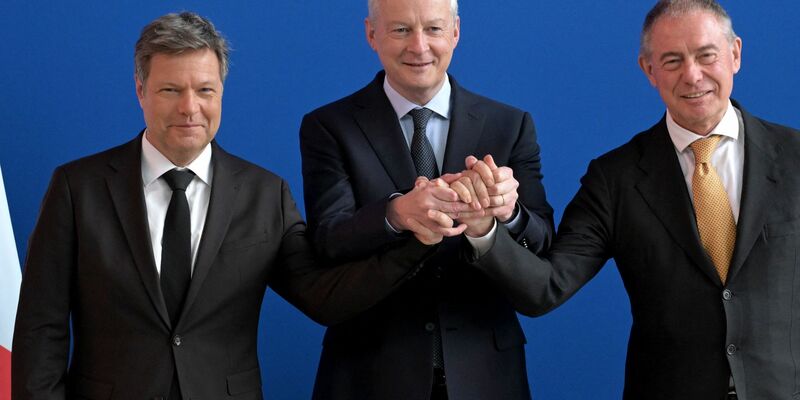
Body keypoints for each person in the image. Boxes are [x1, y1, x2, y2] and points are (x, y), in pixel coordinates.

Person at [11, 12, 447, 400]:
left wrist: (418, 239)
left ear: (221, 91)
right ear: (140, 90)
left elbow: (323, 298)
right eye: (169, 90)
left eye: (205, 89)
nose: (189, 108)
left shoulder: (265, 194)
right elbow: (39, 328)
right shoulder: (77, 188)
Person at [462, 0, 800, 398]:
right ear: (649, 70)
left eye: (706, 55)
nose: (693, 75)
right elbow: (546, 288)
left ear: (735, 54)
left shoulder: (794, 156)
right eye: (672, 61)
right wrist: (484, 229)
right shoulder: (614, 179)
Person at [298, 0, 554, 398]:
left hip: (486, 374)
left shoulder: (510, 125)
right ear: (371, 34)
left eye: (433, 29)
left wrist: (507, 214)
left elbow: (542, 242)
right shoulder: (328, 127)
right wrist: (396, 213)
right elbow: (328, 241)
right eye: (400, 30)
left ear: (455, 32)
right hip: (369, 374)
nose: (419, 47)